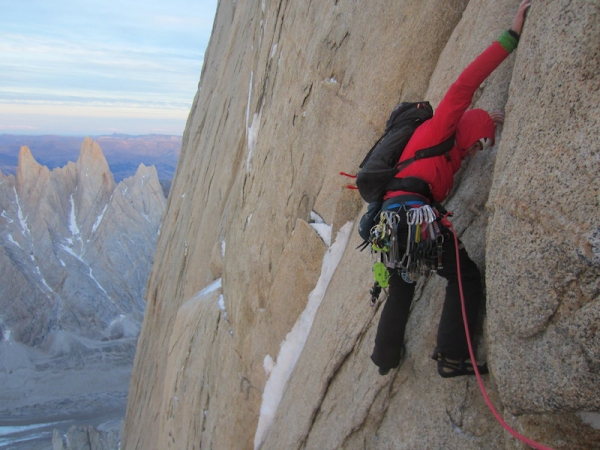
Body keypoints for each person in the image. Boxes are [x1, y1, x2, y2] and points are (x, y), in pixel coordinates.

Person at [371, 0, 532, 377]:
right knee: (464, 274)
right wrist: (511, 37)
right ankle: (453, 357)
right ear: (469, 133)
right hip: (411, 218)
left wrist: (485, 123)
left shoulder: (447, 154)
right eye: (480, 144)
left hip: (393, 220)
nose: (477, 152)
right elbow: (465, 84)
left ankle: (384, 357)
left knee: (404, 281)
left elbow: (446, 161)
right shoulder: (441, 128)